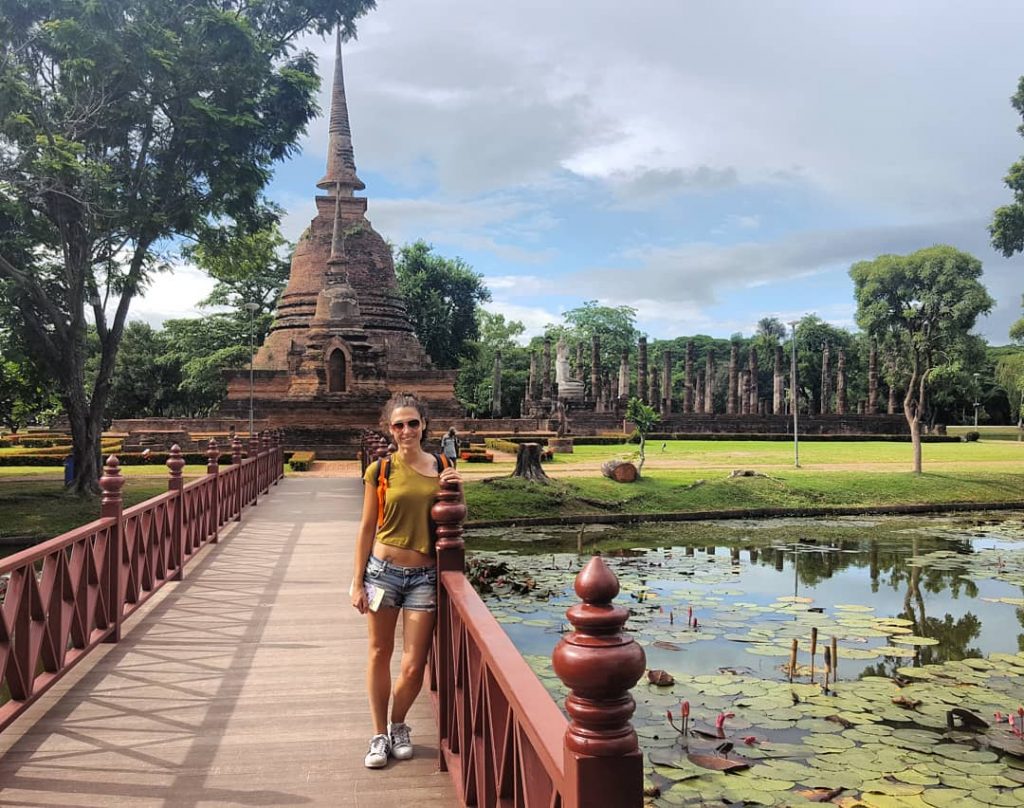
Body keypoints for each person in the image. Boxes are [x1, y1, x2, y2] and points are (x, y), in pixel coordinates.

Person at [350, 392, 462, 769]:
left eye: (413, 423)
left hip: (424, 576)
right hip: (383, 572)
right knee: (380, 652)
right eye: (399, 424)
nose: (406, 430)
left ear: (424, 425)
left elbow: (457, 518)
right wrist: (355, 581)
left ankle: (399, 724)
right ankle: (379, 734)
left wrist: (455, 485)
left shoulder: (443, 465)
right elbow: (367, 528)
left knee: (415, 663)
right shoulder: (380, 470)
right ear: (389, 429)